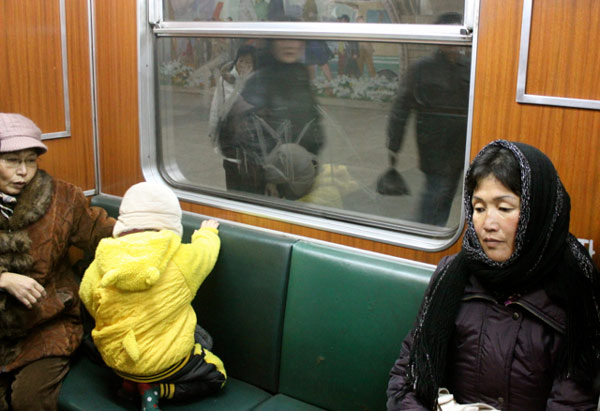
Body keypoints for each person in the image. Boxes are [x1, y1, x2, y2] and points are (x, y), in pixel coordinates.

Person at [387, 139, 600, 410]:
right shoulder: (451, 276)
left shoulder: (575, 287)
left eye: (504, 208)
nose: (488, 224)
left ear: (537, 211)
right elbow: (406, 380)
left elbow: (573, 403)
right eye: (479, 208)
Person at [0, 113, 115, 409]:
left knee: (29, 401)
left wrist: (149, 229)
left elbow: (99, 231)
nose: (23, 171)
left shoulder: (62, 197)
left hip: (47, 323)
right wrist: (4, 278)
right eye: (11, 161)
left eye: (31, 161)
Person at [79, 182, 226, 410]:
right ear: (171, 221)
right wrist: (207, 233)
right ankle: (157, 390)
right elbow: (206, 253)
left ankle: (130, 384)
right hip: (165, 365)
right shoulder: (181, 259)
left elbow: (87, 298)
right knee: (217, 373)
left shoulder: (101, 259)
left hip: (117, 362)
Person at [386, 12, 470, 227]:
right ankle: (424, 232)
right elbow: (401, 108)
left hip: (461, 146)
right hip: (434, 147)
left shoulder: (470, 67)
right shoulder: (422, 68)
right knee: (436, 191)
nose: (452, 43)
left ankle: (430, 228)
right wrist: (394, 144)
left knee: (447, 193)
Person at [218, 36, 325, 199]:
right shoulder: (260, 80)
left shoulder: (300, 75)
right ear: (271, 43)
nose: (289, 44)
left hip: (297, 175)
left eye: (295, 38)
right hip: (266, 185)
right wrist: (270, 175)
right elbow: (233, 137)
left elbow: (313, 126)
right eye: (282, 39)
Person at [208, 44, 257, 146]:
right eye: (241, 60)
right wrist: (213, 132)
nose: (243, 65)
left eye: (248, 62)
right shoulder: (225, 80)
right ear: (236, 61)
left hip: (250, 136)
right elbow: (216, 107)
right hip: (229, 133)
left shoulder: (256, 82)